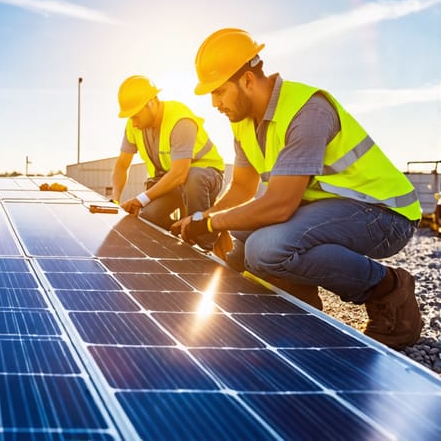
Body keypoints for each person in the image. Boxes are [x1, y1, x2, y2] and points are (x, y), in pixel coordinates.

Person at [172, 27, 423, 348]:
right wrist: (204, 219)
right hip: (333, 207)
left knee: (265, 249)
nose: (214, 103)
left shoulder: (307, 111)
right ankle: (296, 296)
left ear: (247, 80)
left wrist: (209, 222)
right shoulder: (243, 122)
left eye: (219, 91)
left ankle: (388, 289)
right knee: (245, 237)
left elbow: (279, 205)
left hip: (385, 214)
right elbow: (242, 188)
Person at [111, 75, 225, 249]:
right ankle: (179, 238)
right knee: (148, 218)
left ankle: (205, 244)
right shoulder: (133, 125)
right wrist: (115, 199)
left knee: (193, 178)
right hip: (171, 182)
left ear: (151, 103)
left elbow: (180, 173)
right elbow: (122, 165)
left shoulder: (180, 120)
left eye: (135, 116)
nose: (133, 123)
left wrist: (140, 199)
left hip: (205, 176)